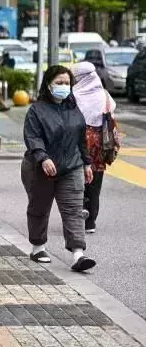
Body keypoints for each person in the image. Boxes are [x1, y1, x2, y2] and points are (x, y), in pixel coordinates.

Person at [22, 65, 96, 271]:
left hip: (71, 166)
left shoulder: (74, 108)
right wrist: (43, 158)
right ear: (48, 85)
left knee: (74, 210)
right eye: (59, 83)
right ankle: (38, 248)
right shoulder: (36, 110)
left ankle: (78, 255)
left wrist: (87, 162)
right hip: (40, 168)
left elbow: (81, 138)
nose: (64, 87)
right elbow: (33, 137)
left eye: (67, 83)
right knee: (40, 208)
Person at [72, 62, 119, 234]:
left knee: (77, 178)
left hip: (79, 141)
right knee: (96, 180)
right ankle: (91, 221)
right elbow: (111, 117)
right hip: (101, 143)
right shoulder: (105, 95)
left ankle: (78, 216)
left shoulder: (74, 95)